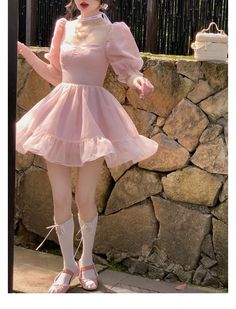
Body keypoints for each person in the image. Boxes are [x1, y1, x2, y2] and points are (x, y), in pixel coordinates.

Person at [16, 0, 159, 293]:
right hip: (58, 116)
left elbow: (126, 70)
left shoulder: (113, 30)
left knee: (84, 198)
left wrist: (139, 80)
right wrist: (23, 51)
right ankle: (67, 267)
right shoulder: (63, 27)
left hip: (92, 118)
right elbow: (56, 75)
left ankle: (87, 262)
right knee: (58, 199)